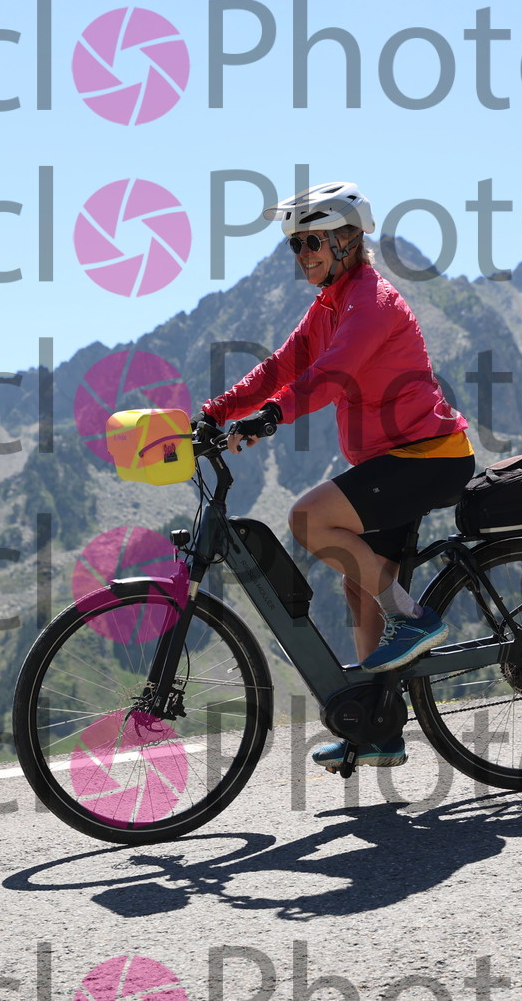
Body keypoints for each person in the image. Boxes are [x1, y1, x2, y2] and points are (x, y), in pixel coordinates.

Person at [197, 182, 475, 769]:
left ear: (348, 239)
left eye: (312, 241)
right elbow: (283, 366)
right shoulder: (330, 305)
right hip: (391, 462)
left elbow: (334, 373)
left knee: (308, 519)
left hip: (429, 455)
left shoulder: (371, 301)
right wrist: (217, 411)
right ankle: (377, 728)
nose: (302, 254)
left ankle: (415, 618)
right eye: (295, 244)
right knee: (358, 583)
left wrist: (271, 416)